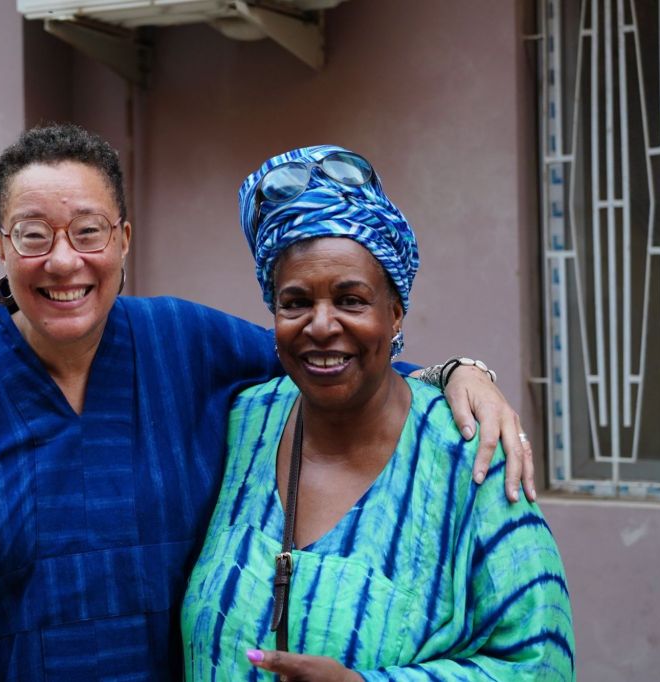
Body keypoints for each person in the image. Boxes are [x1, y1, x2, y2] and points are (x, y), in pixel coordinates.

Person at [0, 125, 537, 681]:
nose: (62, 261)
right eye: (32, 235)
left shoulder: (184, 344)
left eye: (87, 232)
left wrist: (457, 370)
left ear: (122, 238)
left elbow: (329, 354)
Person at [181, 145, 574, 680]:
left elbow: (542, 663)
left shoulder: (474, 456)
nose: (321, 325)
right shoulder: (244, 424)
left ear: (394, 313)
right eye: (295, 302)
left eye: (351, 300)